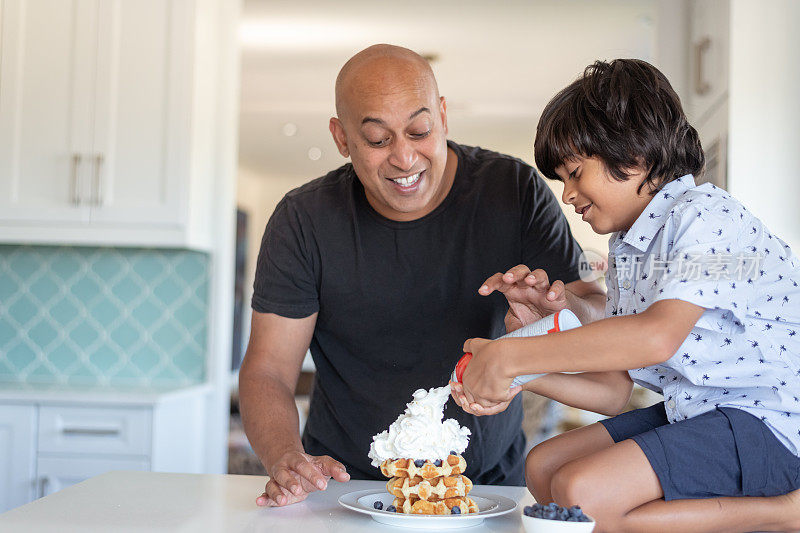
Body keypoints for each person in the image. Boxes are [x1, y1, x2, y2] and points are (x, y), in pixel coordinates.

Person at [238, 43, 606, 508]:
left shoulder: (514, 191)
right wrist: (286, 457)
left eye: (419, 130)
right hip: (343, 488)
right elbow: (268, 370)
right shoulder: (303, 220)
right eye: (377, 139)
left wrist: (559, 307)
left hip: (488, 486)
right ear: (341, 137)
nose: (404, 158)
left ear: (444, 115)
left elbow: (595, 311)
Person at [451, 58, 800, 532]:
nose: (568, 195)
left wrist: (511, 358)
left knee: (584, 494)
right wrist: (515, 373)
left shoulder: (705, 215)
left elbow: (655, 338)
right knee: (544, 468)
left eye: (575, 173)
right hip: (698, 413)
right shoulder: (630, 248)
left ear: (634, 152)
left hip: (770, 424)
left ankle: (782, 514)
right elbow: (612, 392)